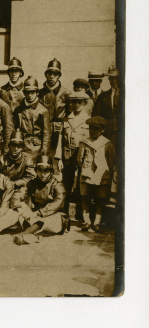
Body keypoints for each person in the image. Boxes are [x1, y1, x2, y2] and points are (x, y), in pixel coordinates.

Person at [12, 155, 68, 245]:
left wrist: (38, 213)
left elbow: (58, 203)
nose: (43, 174)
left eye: (46, 170)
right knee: (20, 205)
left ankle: (22, 234)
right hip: (36, 216)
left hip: (54, 219)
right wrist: (20, 209)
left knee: (48, 220)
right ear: (36, 171)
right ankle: (33, 236)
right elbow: (17, 195)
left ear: (51, 171)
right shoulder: (32, 183)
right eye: (40, 170)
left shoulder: (58, 185)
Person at [55, 91, 91, 220]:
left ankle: (81, 214)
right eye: (74, 102)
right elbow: (60, 140)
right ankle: (64, 214)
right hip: (67, 157)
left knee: (82, 186)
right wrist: (59, 159)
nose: (76, 105)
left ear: (85, 103)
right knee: (66, 185)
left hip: (81, 157)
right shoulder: (66, 119)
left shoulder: (88, 120)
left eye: (79, 102)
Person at [77, 116, 115, 232]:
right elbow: (79, 159)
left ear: (102, 130)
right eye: (91, 128)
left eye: (95, 129)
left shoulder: (107, 144)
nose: (92, 131)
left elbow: (111, 161)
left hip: (101, 176)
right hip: (87, 174)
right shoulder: (84, 142)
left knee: (100, 199)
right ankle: (86, 221)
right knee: (86, 198)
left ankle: (97, 222)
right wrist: (86, 169)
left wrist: (104, 171)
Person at [38, 58, 71, 162]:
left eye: (55, 74)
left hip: (59, 131)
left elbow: (70, 114)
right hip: (42, 130)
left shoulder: (66, 93)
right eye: (49, 73)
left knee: (57, 159)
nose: (52, 76)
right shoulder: (40, 93)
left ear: (59, 76)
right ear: (46, 74)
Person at [12, 76, 51, 161]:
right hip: (21, 146)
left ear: (37, 92)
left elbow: (46, 134)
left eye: (32, 92)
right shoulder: (18, 110)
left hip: (37, 148)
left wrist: (44, 152)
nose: (30, 95)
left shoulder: (43, 111)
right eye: (27, 92)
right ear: (24, 93)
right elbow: (14, 129)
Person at [0, 129, 37, 212]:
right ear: (9, 146)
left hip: (20, 189)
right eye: (13, 145)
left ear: (22, 148)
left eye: (19, 146)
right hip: (4, 188)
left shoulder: (27, 160)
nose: (15, 149)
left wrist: (14, 183)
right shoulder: (3, 158)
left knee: (18, 202)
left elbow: (31, 178)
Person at [93, 66, 120, 143]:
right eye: (112, 78)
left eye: (116, 78)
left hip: (122, 134)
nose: (114, 81)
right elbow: (96, 116)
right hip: (106, 135)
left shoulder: (127, 96)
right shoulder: (102, 96)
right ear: (109, 79)